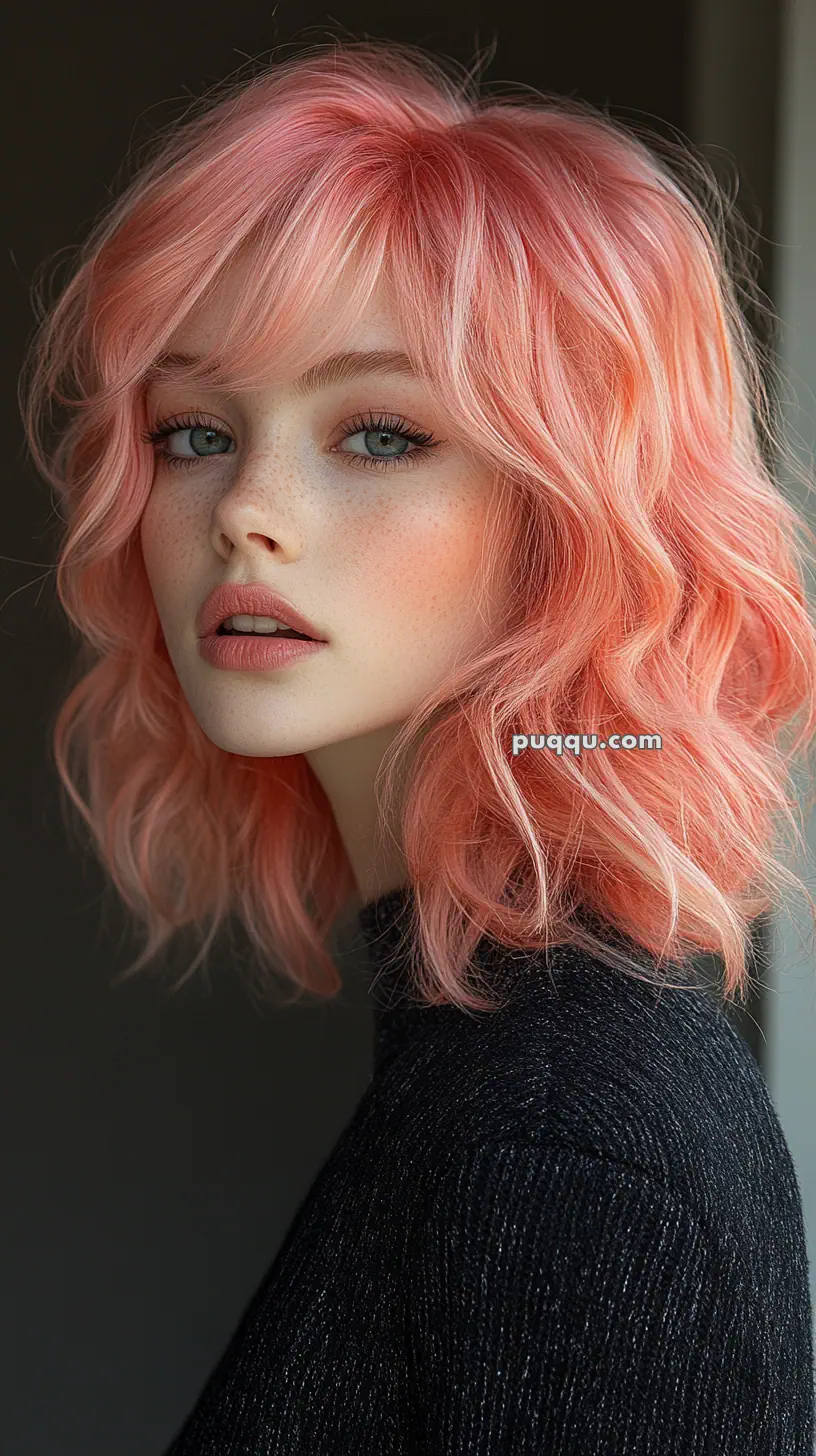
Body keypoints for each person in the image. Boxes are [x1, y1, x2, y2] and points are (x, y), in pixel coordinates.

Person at [19, 34, 816, 1454]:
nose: (247, 511)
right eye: (195, 430)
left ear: (565, 526)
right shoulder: (509, 1077)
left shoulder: (556, 1146)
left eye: (380, 434)